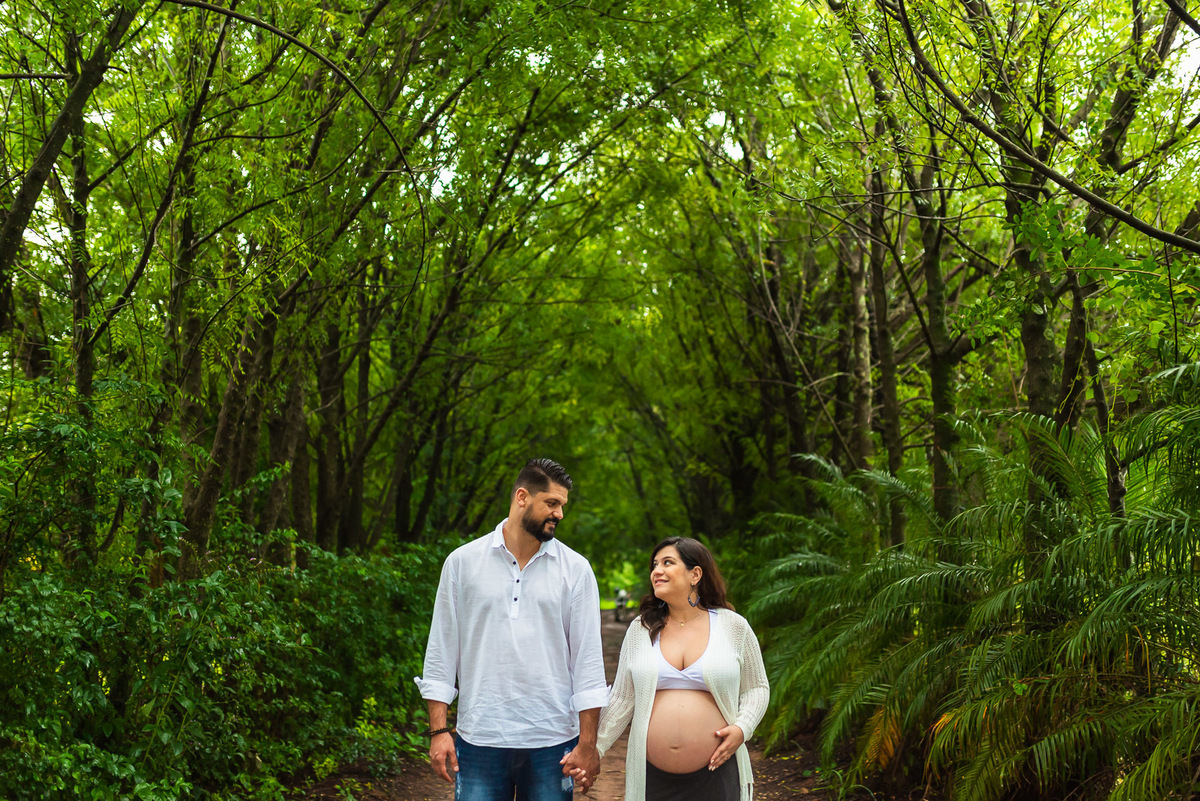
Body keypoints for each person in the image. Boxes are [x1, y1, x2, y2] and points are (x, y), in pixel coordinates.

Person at [415, 458, 608, 799]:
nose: (559, 514)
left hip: (552, 742)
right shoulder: (462, 563)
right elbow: (441, 651)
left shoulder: (576, 570)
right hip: (480, 738)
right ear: (522, 497)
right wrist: (439, 731)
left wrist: (588, 744)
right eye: (552, 503)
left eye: (562, 505)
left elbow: (588, 664)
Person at [596, 537, 769, 801]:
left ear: (695, 574)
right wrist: (592, 749)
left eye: (668, 563)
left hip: (717, 771)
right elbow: (622, 698)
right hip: (653, 776)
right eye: (654, 565)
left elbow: (757, 687)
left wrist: (742, 728)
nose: (657, 571)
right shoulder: (640, 629)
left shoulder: (733, 626)